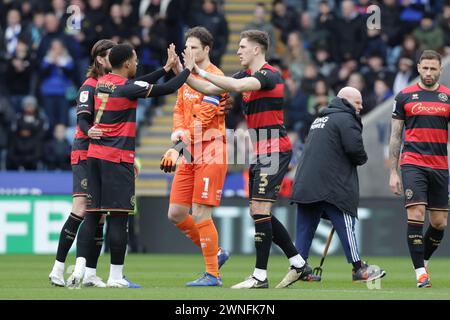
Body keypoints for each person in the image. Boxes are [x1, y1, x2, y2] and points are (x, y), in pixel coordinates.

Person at [180, 30, 317, 289]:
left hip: (275, 148)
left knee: (261, 210)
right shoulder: (244, 75)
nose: (238, 51)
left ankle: (260, 277)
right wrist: (184, 72)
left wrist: (200, 70)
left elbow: (237, 87)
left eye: (243, 47)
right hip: (259, 150)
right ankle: (299, 263)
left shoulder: (268, 75)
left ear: (257, 49)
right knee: (257, 211)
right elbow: (209, 87)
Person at [66, 43, 194, 288]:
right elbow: (167, 88)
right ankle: (116, 277)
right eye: (135, 60)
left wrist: (165, 68)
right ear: (126, 64)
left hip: (94, 157)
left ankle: (87, 271)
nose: (136, 64)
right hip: (117, 159)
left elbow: (139, 83)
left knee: (92, 216)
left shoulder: (103, 83)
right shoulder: (126, 87)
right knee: (118, 218)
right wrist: (187, 69)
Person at [291, 86, 386, 283]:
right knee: (345, 222)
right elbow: (354, 149)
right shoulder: (346, 118)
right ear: (345, 101)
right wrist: (362, 158)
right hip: (331, 185)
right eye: (357, 102)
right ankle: (359, 268)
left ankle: (299, 268)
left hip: (305, 183)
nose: (361, 106)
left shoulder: (320, 118)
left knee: (305, 227)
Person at [161, 27, 229, 287]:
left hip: (211, 147)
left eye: (194, 47)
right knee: (176, 213)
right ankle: (218, 253)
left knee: (201, 212)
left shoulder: (215, 78)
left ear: (207, 50)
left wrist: (177, 148)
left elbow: (204, 119)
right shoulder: (187, 78)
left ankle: (213, 274)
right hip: (189, 149)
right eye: (186, 47)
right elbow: (179, 108)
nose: (188, 51)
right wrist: (177, 131)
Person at [49, 39, 116, 288]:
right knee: (81, 208)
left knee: (99, 216)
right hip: (86, 152)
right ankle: (57, 268)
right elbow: (83, 122)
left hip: (103, 154)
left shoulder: (112, 84)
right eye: (111, 55)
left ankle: (89, 273)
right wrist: (92, 132)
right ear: (100, 59)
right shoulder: (89, 86)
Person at [389, 50, 450, 288]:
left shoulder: (448, 97)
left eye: (433, 69)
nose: (428, 72)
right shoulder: (404, 96)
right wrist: (393, 171)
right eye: (425, 68)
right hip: (413, 163)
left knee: (439, 223)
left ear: (440, 70)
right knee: (416, 214)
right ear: (418, 68)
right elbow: (395, 136)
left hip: (440, 166)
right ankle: (420, 274)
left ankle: (422, 260)